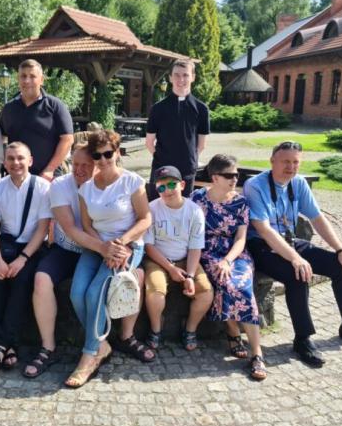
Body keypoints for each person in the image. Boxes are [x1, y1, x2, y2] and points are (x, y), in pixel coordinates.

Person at [244, 141, 342, 368]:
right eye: (285, 161)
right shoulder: (255, 185)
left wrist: (341, 250)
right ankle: (303, 339)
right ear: (272, 161)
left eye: (295, 162)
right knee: (298, 274)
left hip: (290, 241)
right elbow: (263, 229)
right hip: (262, 246)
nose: (291, 167)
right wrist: (295, 258)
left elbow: (317, 218)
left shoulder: (299, 183)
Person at [67, 129, 155, 388]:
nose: (103, 160)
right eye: (97, 155)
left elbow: (145, 219)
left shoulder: (132, 182)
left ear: (117, 152)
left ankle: (89, 356)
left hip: (127, 247)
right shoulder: (86, 189)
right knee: (77, 293)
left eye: (108, 153)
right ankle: (102, 343)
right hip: (98, 246)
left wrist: (120, 244)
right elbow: (87, 225)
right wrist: (103, 247)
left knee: (95, 293)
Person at [23, 143, 96, 378]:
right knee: (41, 279)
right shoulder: (60, 185)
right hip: (67, 248)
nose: (80, 170)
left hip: (94, 251)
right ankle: (48, 347)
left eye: (86, 165)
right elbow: (69, 228)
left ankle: (101, 344)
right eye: (76, 164)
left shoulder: (105, 184)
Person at [192, 154, 267, 380]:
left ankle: (257, 353)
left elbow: (241, 239)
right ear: (215, 177)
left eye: (237, 175)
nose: (235, 179)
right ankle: (233, 332)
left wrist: (228, 260)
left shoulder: (240, 203)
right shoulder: (198, 198)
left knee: (243, 287)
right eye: (229, 175)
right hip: (207, 251)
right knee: (223, 281)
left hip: (235, 253)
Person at [0, 142, 52, 374]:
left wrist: (23, 258)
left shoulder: (43, 187)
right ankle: (9, 346)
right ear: (5, 162)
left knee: (22, 281)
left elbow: (43, 228)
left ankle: (0, 345)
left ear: (30, 161)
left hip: (31, 248)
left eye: (21, 158)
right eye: (11, 158)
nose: (16, 163)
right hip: (5, 246)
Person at [143, 166, 213, 352]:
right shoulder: (151, 209)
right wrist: (170, 268)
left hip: (185, 258)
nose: (167, 190)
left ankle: (190, 328)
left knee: (206, 292)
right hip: (158, 260)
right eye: (161, 187)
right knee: (155, 292)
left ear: (182, 185)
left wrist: (190, 275)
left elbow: (195, 247)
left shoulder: (194, 211)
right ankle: (156, 328)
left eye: (172, 185)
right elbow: (149, 246)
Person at [0, 59, 74, 181]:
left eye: (32, 76)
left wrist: (50, 169)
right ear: (18, 79)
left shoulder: (55, 106)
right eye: (23, 76)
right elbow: (0, 138)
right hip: (16, 178)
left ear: (41, 80)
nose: (27, 81)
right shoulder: (9, 108)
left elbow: (67, 139)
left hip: (48, 178)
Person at [145, 59, 210, 198]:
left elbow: (201, 145)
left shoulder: (201, 109)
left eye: (185, 75)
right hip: (161, 169)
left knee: (184, 207)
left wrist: (189, 161)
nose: (181, 79)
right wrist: (161, 159)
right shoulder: (158, 109)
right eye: (176, 75)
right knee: (156, 206)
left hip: (187, 171)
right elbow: (149, 142)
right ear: (170, 78)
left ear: (193, 77)